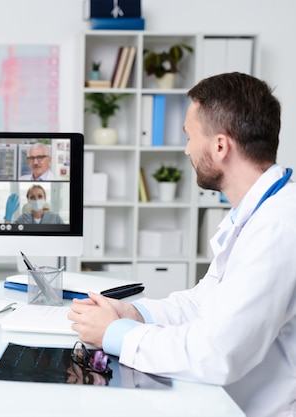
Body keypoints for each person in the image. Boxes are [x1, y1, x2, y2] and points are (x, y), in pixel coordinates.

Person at [68, 72, 296, 417]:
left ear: (220, 146)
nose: (187, 149)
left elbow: (217, 354)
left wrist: (115, 334)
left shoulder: (278, 227)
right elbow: (205, 303)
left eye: (190, 136)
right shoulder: (255, 212)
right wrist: (134, 313)